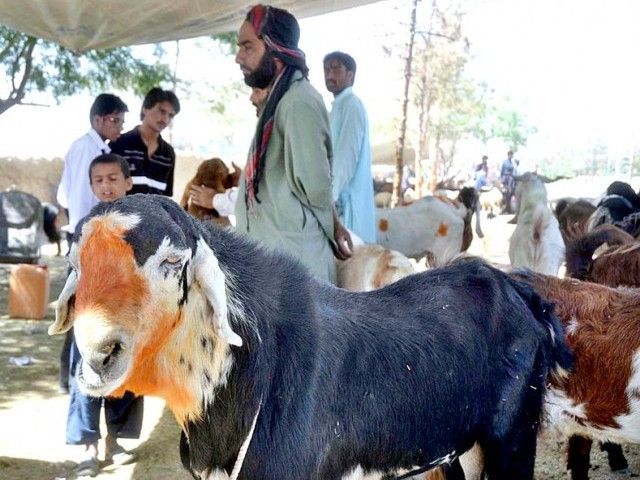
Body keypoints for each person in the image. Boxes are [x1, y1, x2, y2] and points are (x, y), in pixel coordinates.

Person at [193, 4, 351, 284]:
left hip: (295, 272)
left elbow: (316, 187)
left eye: (247, 47)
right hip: (277, 264)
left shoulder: (298, 102)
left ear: (275, 48)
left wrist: (334, 225)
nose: (238, 57)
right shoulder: (280, 100)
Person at [66, 153, 140, 477]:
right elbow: (74, 271)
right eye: (99, 181)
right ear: (92, 186)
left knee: (125, 379)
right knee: (86, 380)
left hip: (126, 317)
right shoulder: (86, 226)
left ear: (128, 182)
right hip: (89, 318)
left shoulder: (141, 226)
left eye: (113, 179)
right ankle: (88, 445)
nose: (106, 186)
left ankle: (116, 440)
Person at [56, 93, 128, 394]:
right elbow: (83, 200)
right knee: (83, 316)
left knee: (80, 315)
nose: (120, 128)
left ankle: (70, 380)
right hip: (89, 238)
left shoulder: (89, 147)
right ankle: (75, 384)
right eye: (116, 121)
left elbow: (61, 195)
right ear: (100, 119)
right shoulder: (88, 151)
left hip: (88, 235)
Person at [323, 51, 376, 243]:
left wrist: (329, 200)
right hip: (337, 206)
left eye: (336, 69)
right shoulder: (337, 107)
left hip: (346, 210)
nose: (329, 75)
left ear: (351, 75)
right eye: (326, 69)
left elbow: (346, 158)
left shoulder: (352, 106)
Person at [109, 87, 180, 196]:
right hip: (121, 212)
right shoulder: (119, 143)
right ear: (145, 109)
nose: (165, 119)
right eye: (162, 111)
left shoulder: (168, 154)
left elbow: (166, 197)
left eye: (171, 115)